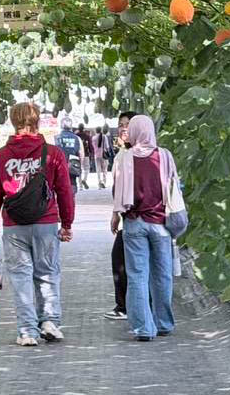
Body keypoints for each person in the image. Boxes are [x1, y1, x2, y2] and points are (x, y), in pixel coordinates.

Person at [0, 102, 75, 346]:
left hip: (14, 225)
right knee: (47, 273)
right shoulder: (53, 154)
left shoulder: (1, 156)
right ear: (38, 122)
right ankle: (50, 322)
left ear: (13, 122)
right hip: (46, 222)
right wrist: (67, 223)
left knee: (20, 277)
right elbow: (64, 190)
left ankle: (27, 331)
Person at [111, 115, 177, 341]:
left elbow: (118, 191)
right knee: (163, 275)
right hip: (161, 224)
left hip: (134, 222)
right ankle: (164, 323)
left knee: (137, 276)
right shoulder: (164, 155)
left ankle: (143, 329)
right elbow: (174, 186)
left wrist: (115, 215)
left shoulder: (125, 157)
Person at [104, 111, 137, 321]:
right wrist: (115, 212)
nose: (123, 128)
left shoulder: (135, 154)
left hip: (136, 218)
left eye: (128, 124)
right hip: (128, 216)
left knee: (122, 261)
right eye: (121, 125)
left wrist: (117, 212)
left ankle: (126, 307)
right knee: (122, 260)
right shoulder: (122, 154)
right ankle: (126, 306)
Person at [55, 119, 84, 194]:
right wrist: (80, 166)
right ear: (71, 126)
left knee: (59, 186)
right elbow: (81, 154)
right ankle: (71, 199)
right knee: (72, 185)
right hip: (73, 166)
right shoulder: (77, 138)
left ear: (61, 126)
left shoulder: (56, 138)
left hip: (59, 166)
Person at [76, 123, 92, 189]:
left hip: (78, 154)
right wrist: (91, 152)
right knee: (87, 168)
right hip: (86, 154)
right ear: (83, 128)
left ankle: (80, 186)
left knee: (79, 169)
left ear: (78, 128)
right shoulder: (87, 136)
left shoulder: (76, 136)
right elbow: (90, 145)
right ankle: (84, 180)